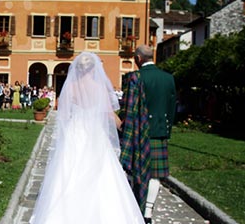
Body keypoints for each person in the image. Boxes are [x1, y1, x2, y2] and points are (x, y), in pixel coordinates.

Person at [30, 52, 144, 224]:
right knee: (102, 174)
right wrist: (123, 125)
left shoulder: (70, 87)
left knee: (69, 170)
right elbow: (108, 114)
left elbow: (63, 112)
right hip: (95, 135)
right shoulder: (99, 88)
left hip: (75, 133)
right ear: (93, 69)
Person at [119, 45, 176, 224]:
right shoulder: (168, 78)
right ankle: (148, 213)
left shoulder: (134, 78)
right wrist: (167, 129)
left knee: (134, 169)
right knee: (155, 174)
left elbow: (127, 107)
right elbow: (172, 106)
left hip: (137, 130)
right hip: (159, 130)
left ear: (137, 58)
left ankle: (135, 205)